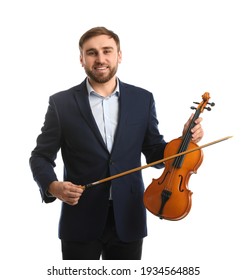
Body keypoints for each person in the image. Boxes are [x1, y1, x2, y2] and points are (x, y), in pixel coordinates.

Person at [29, 26, 204, 260]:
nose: (100, 59)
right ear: (81, 59)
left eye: (107, 51)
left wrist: (182, 142)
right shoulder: (61, 103)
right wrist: (53, 186)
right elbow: (40, 156)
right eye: (91, 53)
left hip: (129, 216)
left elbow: (154, 153)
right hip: (79, 219)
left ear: (119, 55)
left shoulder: (143, 99)